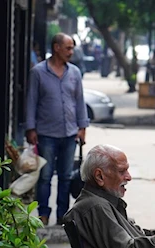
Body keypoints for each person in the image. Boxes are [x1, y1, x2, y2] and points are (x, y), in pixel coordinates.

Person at [26, 32, 89, 226]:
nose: (71, 52)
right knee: (44, 177)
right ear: (56, 47)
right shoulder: (38, 72)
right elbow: (31, 101)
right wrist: (31, 128)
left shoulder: (75, 73)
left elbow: (79, 101)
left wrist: (82, 126)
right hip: (46, 133)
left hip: (70, 134)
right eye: (68, 48)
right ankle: (43, 214)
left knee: (65, 177)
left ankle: (63, 215)